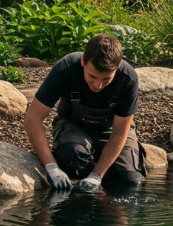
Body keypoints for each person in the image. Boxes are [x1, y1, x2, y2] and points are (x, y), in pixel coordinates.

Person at [24, 33, 146, 192]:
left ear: (117, 69)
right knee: (70, 158)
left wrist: (97, 175)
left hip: (112, 130)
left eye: (106, 79)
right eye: (92, 76)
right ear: (83, 61)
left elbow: (119, 134)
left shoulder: (128, 78)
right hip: (74, 125)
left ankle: (97, 178)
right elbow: (32, 119)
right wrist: (51, 167)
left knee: (130, 181)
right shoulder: (65, 68)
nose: (98, 85)